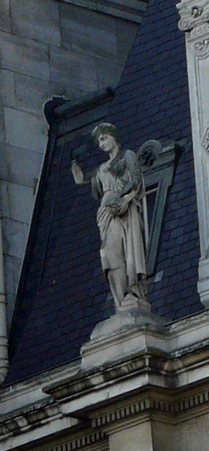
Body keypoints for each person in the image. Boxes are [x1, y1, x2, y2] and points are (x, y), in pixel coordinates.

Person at [71, 122, 151, 314]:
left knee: (125, 252)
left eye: (104, 138)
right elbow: (86, 180)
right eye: (99, 141)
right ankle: (120, 299)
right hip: (107, 214)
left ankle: (132, 292)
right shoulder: (101, 168)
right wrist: (76, 171)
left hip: (124, 211)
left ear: (114, 137)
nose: (102, 143)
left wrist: (126, 199)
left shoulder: (127, 156)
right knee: (108, 253)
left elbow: (136, 181)